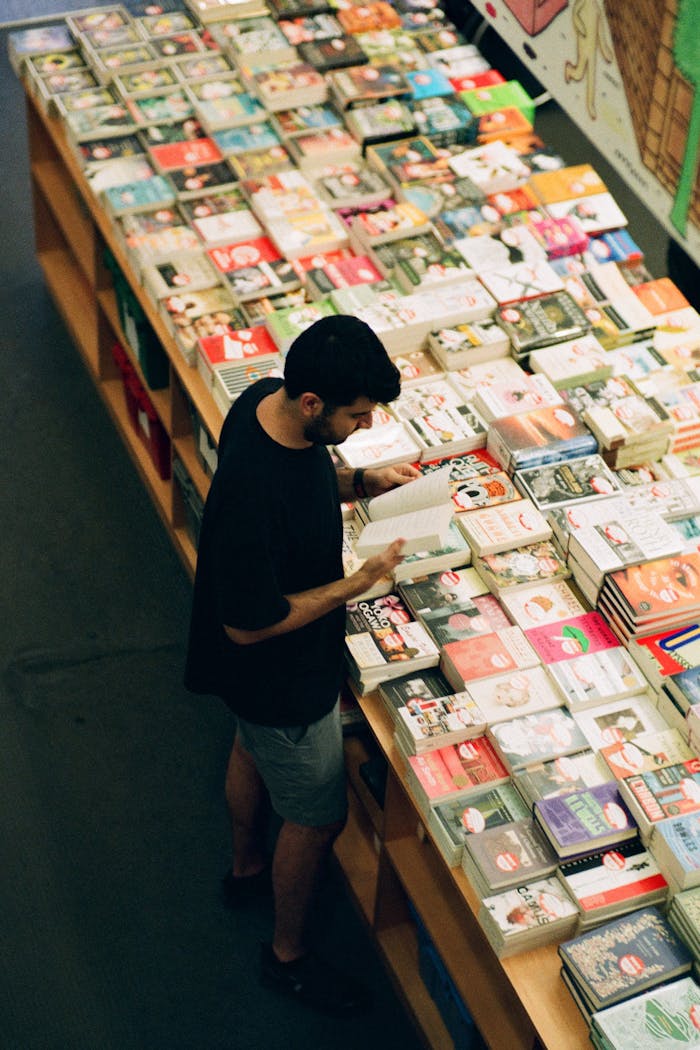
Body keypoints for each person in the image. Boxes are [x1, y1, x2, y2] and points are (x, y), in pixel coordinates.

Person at [184, 315, 420, 1015]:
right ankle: (287, 955)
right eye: (357, 414)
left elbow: (312, 479)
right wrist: (359, 581)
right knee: (317, 818)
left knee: (249, 749)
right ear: (314, 404)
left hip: (250, 691)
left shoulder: (265, 399)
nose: (366, 421)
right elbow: (250, 627)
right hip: (281, 681)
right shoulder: (258, 494)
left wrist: (366, 480)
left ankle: (246, 868)